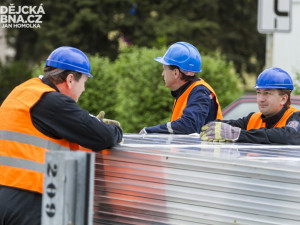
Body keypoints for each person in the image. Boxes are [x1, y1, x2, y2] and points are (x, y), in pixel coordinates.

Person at [0, 46, 123, 225]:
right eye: (84, 82)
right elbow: (101, 136)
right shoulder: (52, 101)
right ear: (71, 80)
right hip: (29, 199)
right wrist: (116, 131)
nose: (84, 89)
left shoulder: (24, 91)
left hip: (6, 194)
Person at [139, 42, 223, 134]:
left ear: (176, 73)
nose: (162, 74)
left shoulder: (200, 92)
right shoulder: (187, 91)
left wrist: (150, 131)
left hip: (207, 149)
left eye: (164, 69)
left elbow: (189, 125)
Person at [200, 67, 300, 144]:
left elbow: (287, 136)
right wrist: (209, 125)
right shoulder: (252, 119)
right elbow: (227, 126)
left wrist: (239, 135)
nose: (261, 99)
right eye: (258, 92)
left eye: (267, 93)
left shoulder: (295, 118)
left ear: (283, 99)